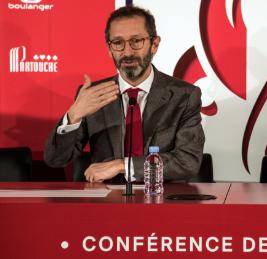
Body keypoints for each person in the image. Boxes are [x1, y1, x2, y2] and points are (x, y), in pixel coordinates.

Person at [44, 6, 205, 183]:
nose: (127, 52)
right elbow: (56, 160)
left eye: (136, 41)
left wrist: (123, 165)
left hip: (162, 202)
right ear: (109, 48)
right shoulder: (92, 96)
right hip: (107, 205)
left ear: (155, 44)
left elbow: (188, 162)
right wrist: (72, 116)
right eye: (118, 43)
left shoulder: (184, 96)